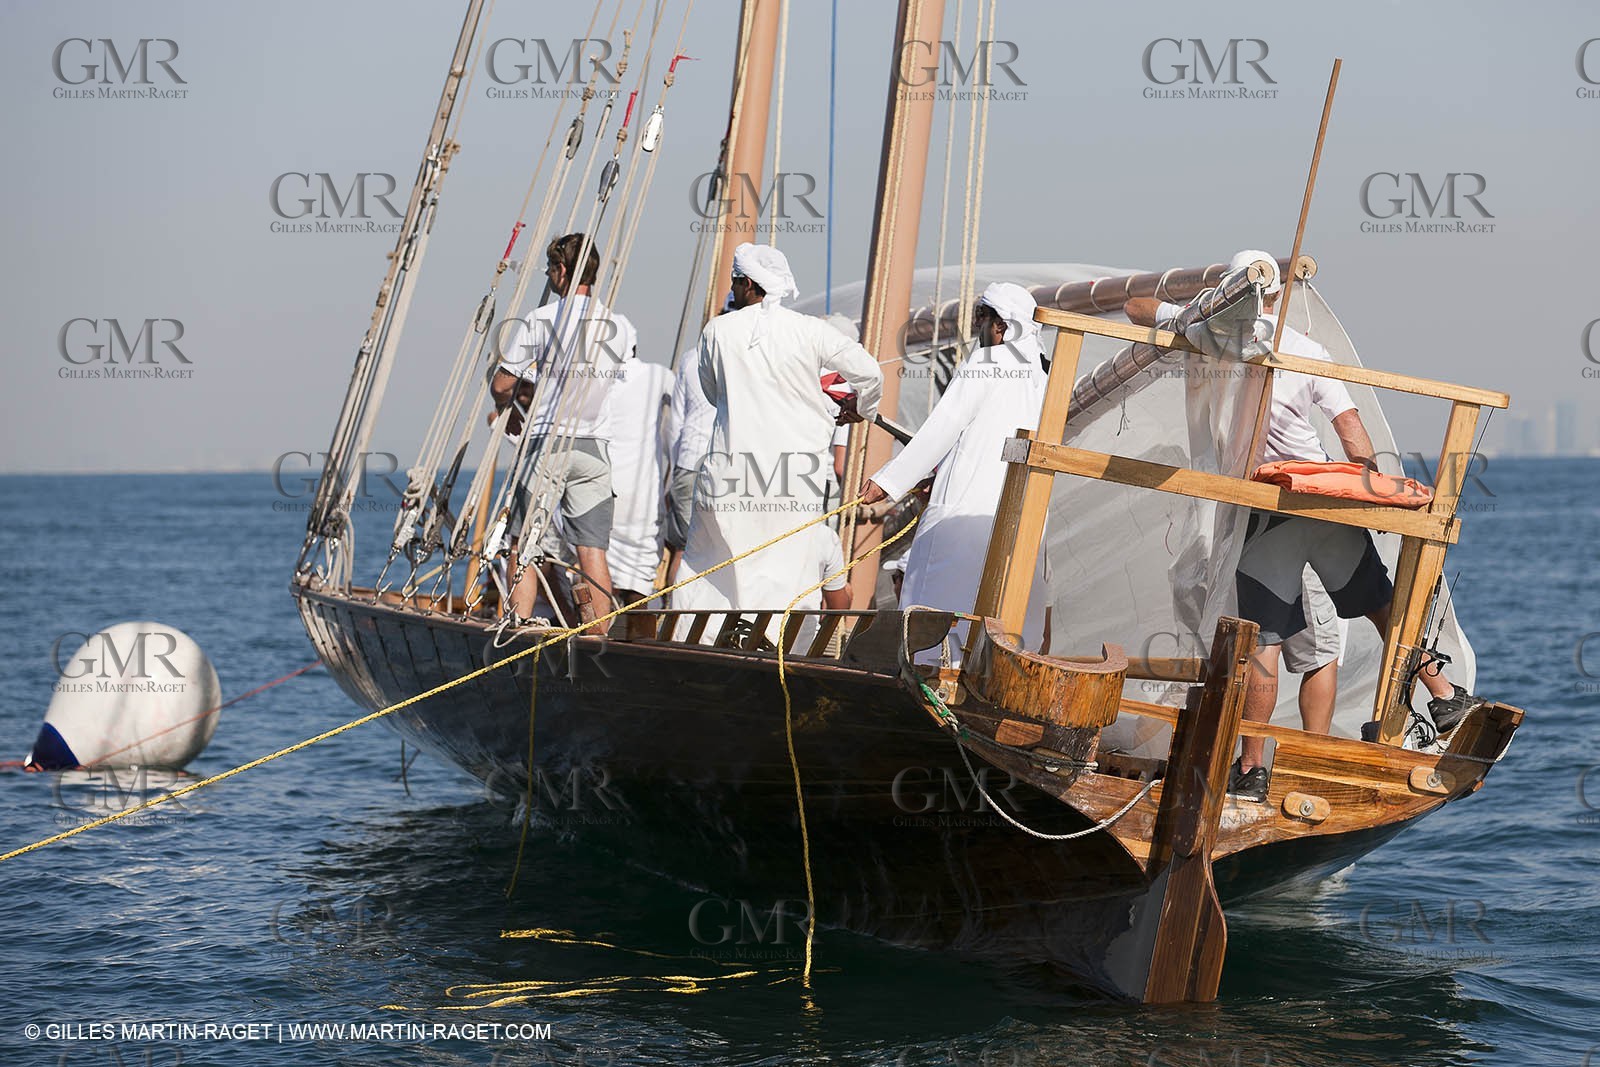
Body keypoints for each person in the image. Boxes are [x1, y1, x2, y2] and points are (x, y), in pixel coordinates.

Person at [1127, 250, 1482, 800]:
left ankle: (1253, 767)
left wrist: (1190, 308)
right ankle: (1443, 688)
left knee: (1263, 643)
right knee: (1383, 605)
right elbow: (1350, 427)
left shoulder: (1209, 334)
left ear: (1228, 292)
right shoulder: (1305, 348)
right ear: (1275, 296)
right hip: (1321, 496)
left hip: (1267, 508)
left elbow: (1135, 307)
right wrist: (1361, 486)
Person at [674, 243, 883, 631]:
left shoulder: (718, 330)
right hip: (794, 478)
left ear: (750, 284)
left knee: (711, 566)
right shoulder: (811, 331)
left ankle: (698, 644)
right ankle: (775, 649)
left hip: (730, 473)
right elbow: (870, 375)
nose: (734, 291)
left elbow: (711, 390)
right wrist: (860, 409)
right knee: (787, 568)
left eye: (737, 282)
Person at [860, 282, 1051, 663]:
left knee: (936, 602)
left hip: (962, 513)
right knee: (1004, 610)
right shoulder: (1045, 378)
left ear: (1001, 326)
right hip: (1020, 520)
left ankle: (926, 672)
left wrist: (890, 481)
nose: (977, 327)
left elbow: (943, 427)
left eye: (981, 316)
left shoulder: (988, 362)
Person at [491, 232, 636, 631]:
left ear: (561, 271)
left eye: (550, 269)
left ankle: (518, 629)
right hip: (595, 449)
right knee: (592, 551)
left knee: (523, 545)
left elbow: (504, 384)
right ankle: (597, 638)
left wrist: (503, 404)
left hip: (547, 444)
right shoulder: (621, 327)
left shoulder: (541, 320)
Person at [605, 345, 674, 636]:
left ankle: (596, 643)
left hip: (603, 485)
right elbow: (685, 415)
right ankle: (642, 643)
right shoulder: (657, 375)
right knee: (640, 584)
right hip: (643, 491)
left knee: (597, 571)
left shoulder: (597, 379)